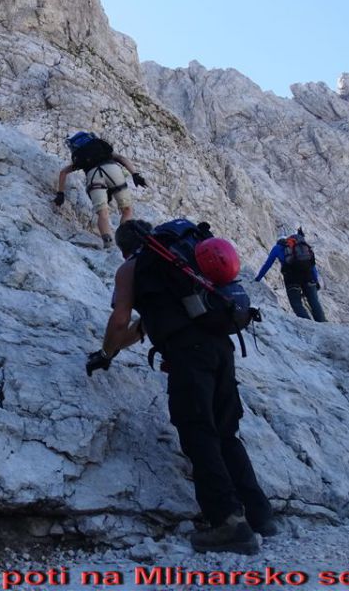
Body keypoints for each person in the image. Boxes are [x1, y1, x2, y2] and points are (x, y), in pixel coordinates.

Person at [87, 219, 275, 555]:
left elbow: (120, 320)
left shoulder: (132, 269)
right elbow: (141, 328)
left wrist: (104, 353)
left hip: (189, 357)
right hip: (221, 347)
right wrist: (114, 349)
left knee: (198, 432)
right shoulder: (175, 268)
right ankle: (260, 515)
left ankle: (228, 524)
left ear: (123, 247)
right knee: (226, 432)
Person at [54, 131, 147, 248]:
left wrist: (60, 193)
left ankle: (108, 244)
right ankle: (123, 242)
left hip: (93, 176)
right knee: (127, 210)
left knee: (103, 213)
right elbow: (121, 158)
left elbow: (63, 172)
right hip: (113, 170)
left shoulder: (81, 156)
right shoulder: (102, 147)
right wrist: (135, 174)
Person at [254, 227, 326, 322]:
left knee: (296, 304)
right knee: (314, 302)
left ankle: (309, 324)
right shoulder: (302, 246)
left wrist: (258, 278)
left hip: (292, 280)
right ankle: (323, 322)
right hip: (308, 276)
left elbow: (267, 264)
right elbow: (312, 265)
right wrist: (315, 280)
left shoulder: (278, 248)